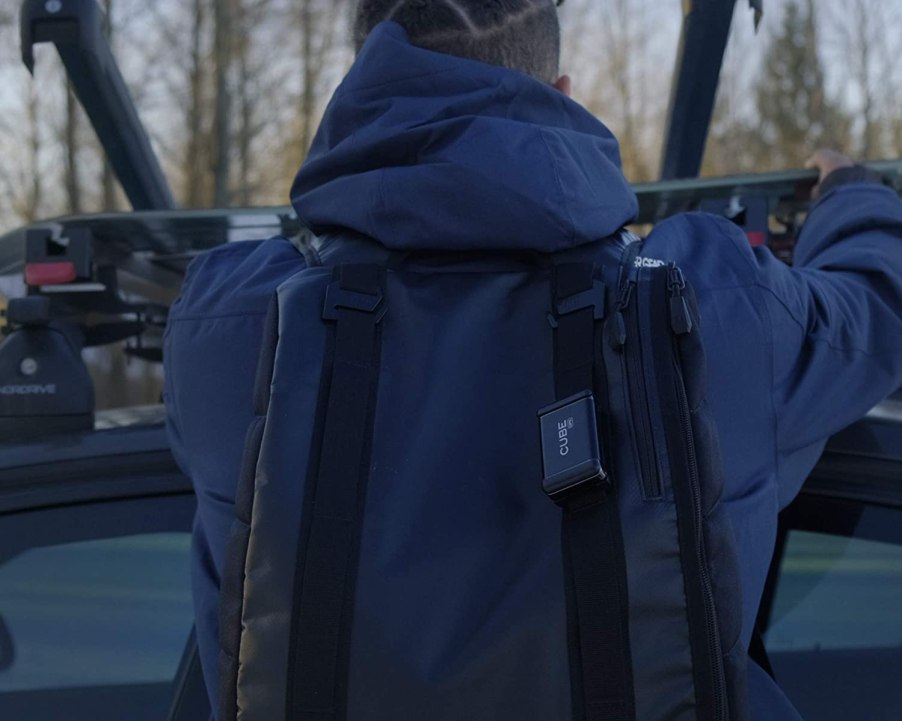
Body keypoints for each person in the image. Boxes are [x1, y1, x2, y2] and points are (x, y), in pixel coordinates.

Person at [164, 1, 902, 718]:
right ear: (561, 97)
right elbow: (877, 309)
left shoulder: (236, 327)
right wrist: (851, 197)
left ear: (359, 84)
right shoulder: (708, 307)